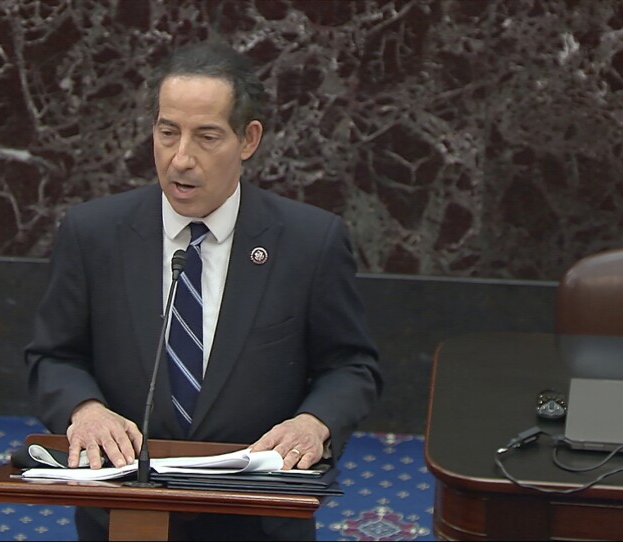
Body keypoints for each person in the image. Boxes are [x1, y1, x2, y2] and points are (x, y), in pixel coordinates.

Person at [26, 41, 382, 541]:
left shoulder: (309, 242)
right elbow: (52, 356)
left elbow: (351, 366)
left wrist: (313, 422)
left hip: (258, 516)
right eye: (167, 132)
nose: (180, 158)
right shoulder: (94, 234)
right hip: (128, 508)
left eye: (206, 136)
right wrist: (85, 410)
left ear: (248, 139)